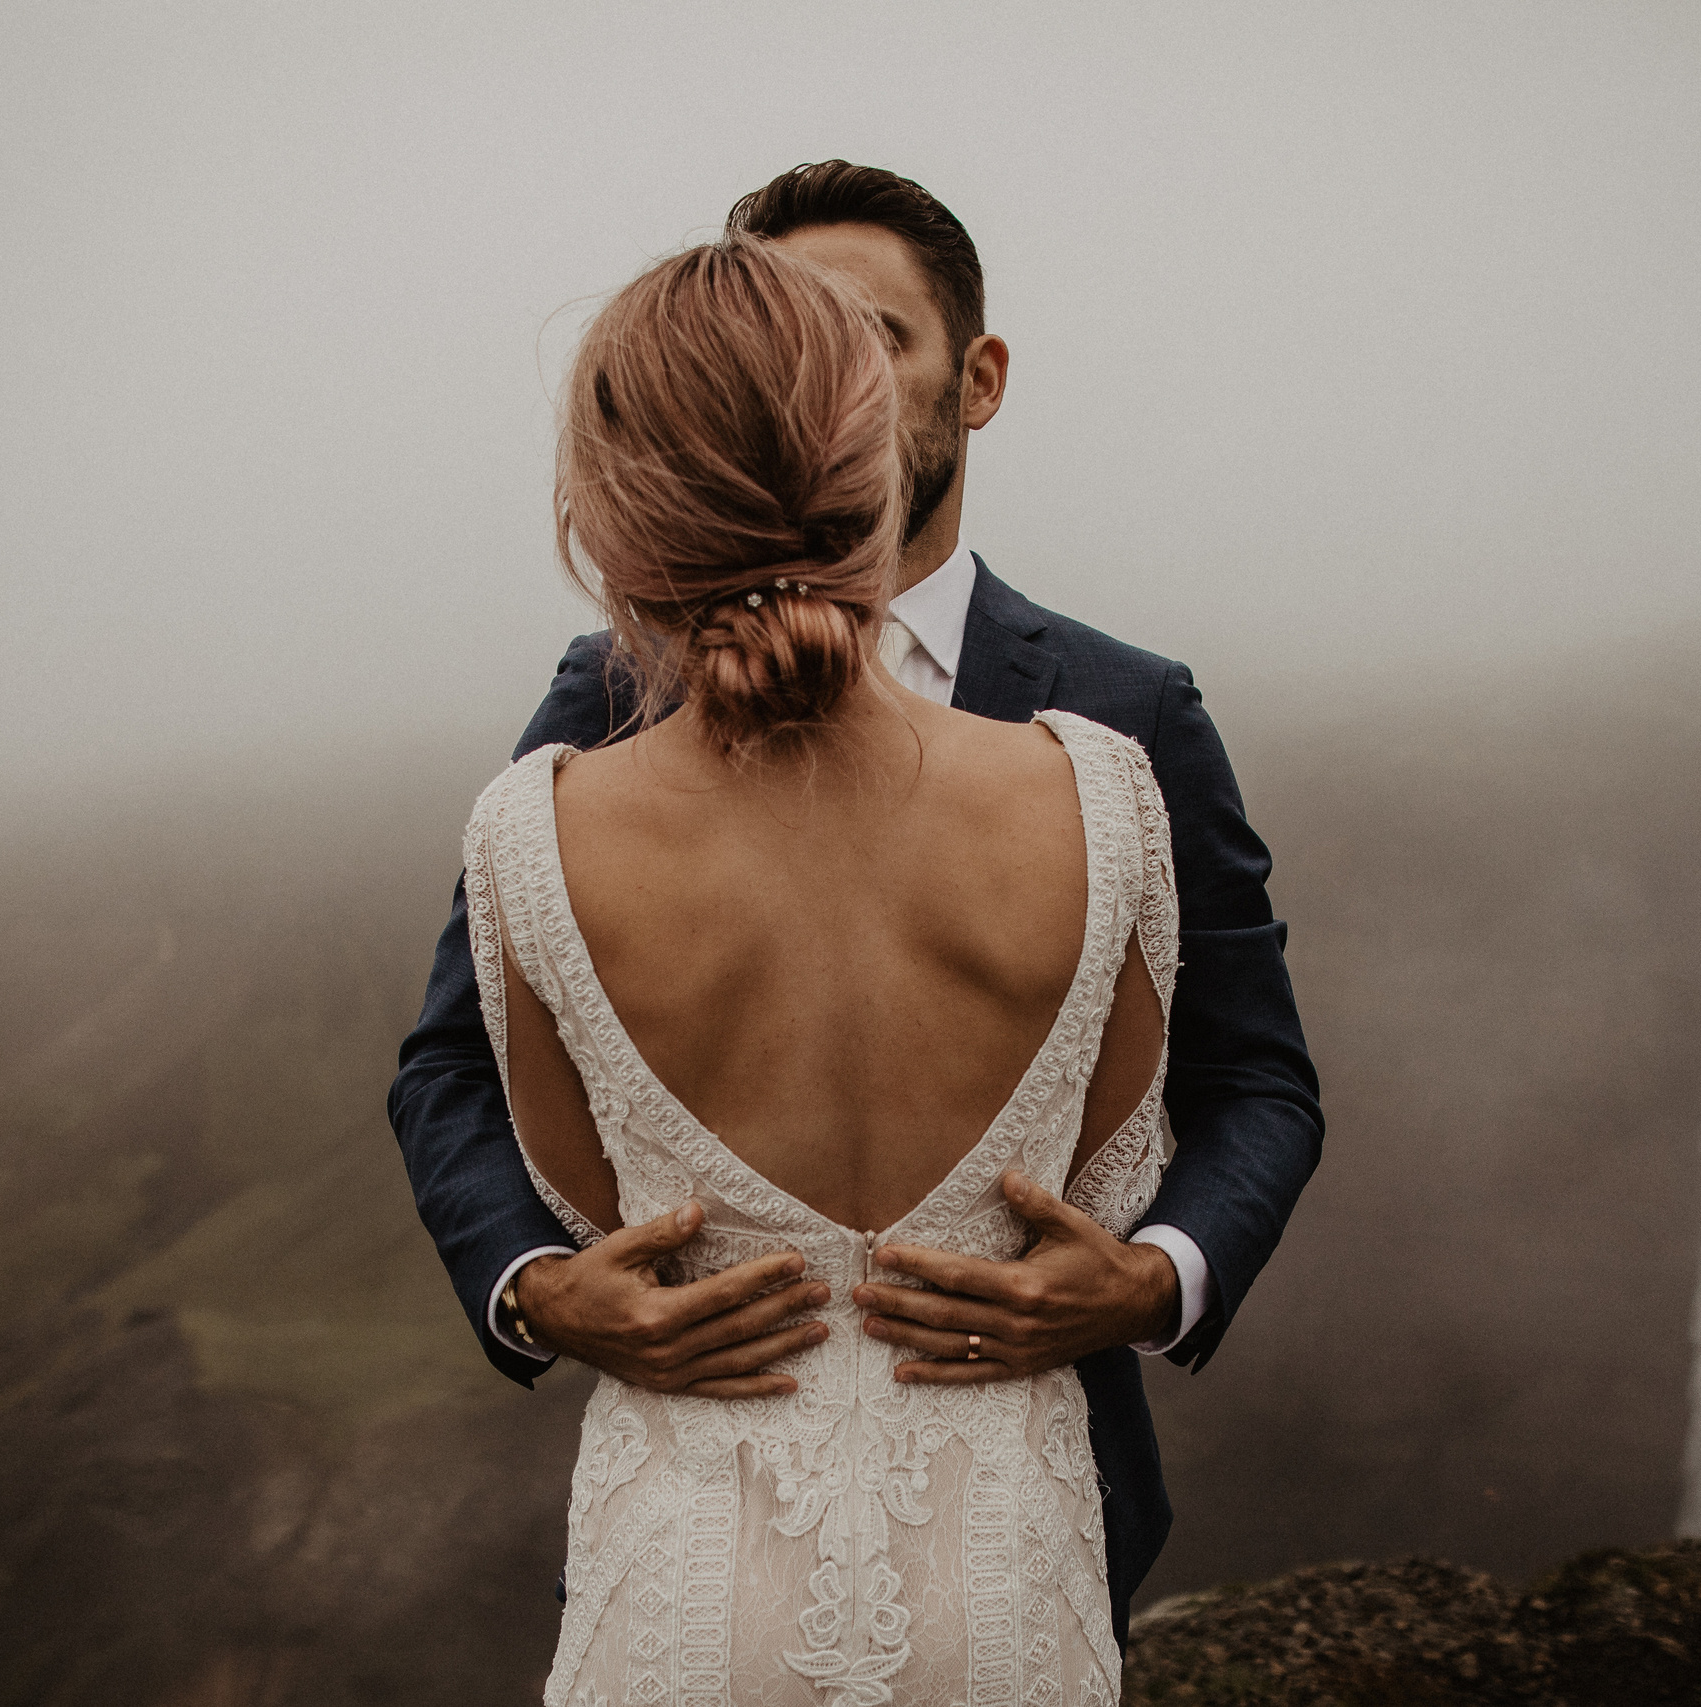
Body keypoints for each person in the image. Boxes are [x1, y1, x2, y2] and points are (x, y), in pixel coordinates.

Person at [392, 162, 1322, 1674]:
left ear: (976, 377)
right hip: (738, 1523)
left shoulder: (1135, 711)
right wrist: (544, 1291)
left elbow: (1259, 1078)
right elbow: (456, 1060)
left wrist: (1151, 1275)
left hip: (1021, 1500)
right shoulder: (593, 713)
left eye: (858, 332)